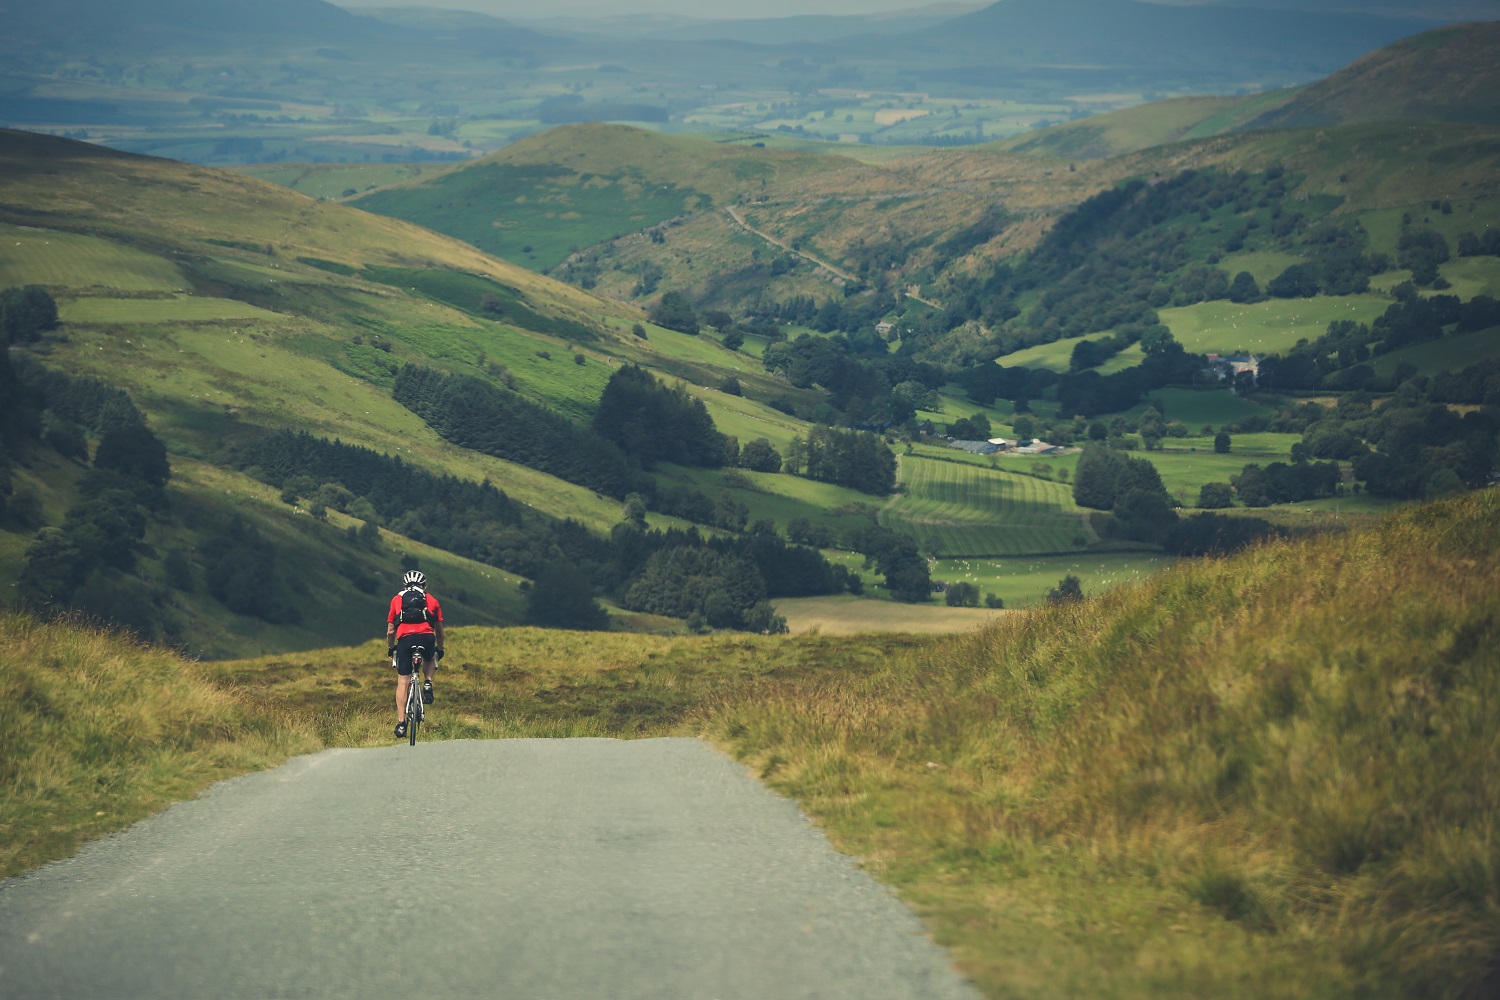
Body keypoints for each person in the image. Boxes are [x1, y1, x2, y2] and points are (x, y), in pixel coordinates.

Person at [386, 569, 444, 740]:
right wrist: (440, 649)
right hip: (426, 638)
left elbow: (390, 631)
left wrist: (391, 648)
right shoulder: (431, 600)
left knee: (403, 682)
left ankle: (401, 723)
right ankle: (427, 682)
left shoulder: (397, 600)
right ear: (424, 585)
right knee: (431, 655)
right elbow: (439, 631)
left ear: (405, 585)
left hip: (405, 641)